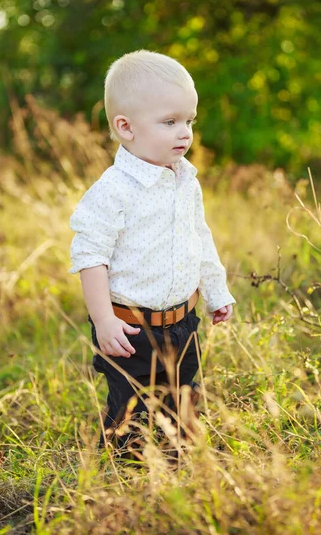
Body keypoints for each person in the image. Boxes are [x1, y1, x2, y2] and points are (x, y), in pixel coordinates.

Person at [68, 49, 236, 458]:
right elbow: (91, 256)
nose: (185, 133)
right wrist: (103, 319)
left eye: (189, 121)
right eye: (170, 122)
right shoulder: (112, 191)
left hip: (182, 322)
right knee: (130, 408)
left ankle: (179, 458)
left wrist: (217, 291)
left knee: (182, 395)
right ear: (126, 127)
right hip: (129, 328)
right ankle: (126, 472)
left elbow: (200, 237)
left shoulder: (186, 181)